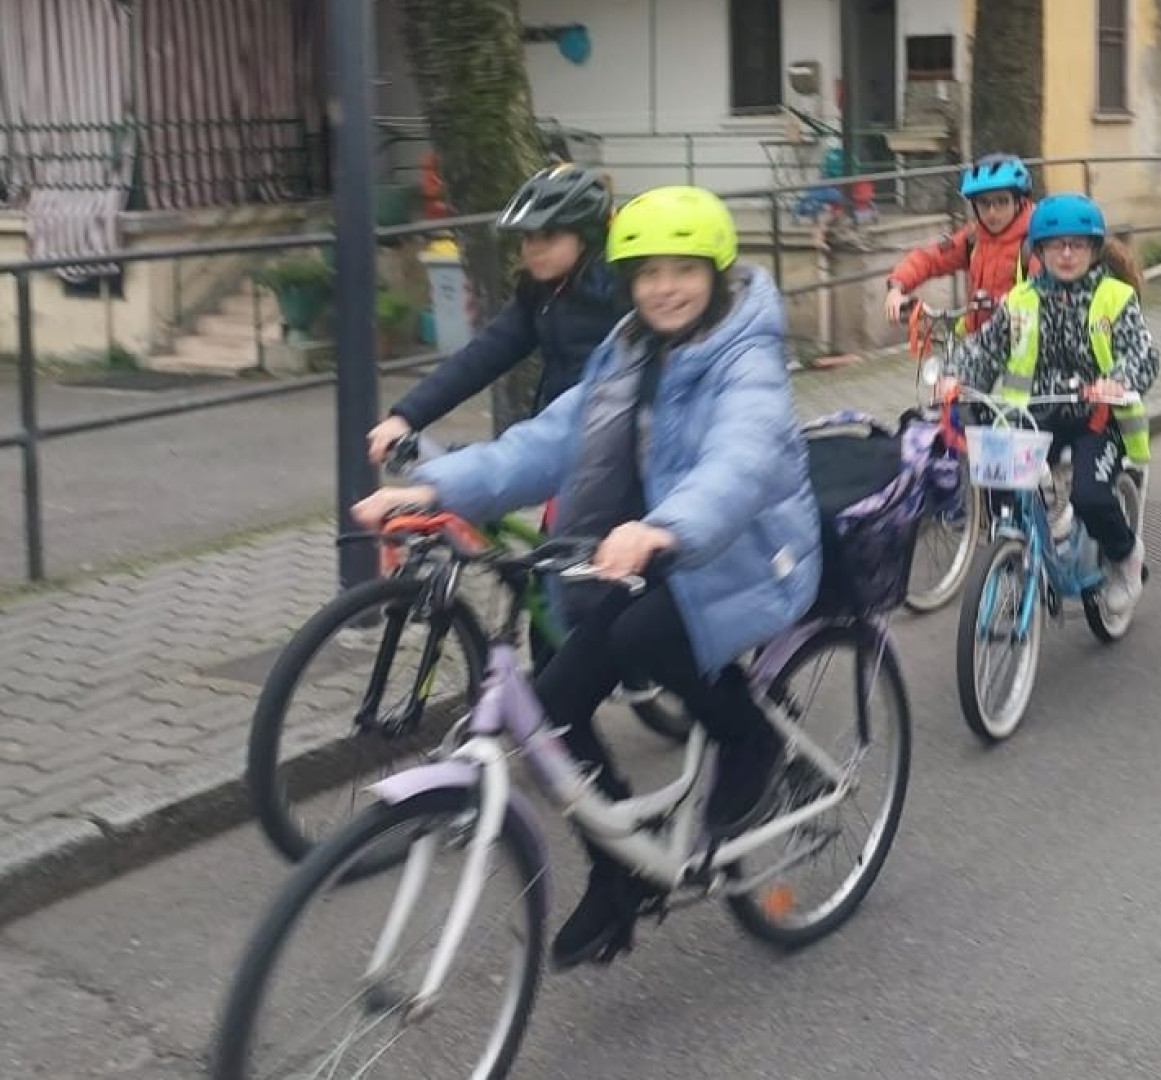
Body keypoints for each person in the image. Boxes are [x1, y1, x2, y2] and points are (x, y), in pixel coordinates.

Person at [351, 185, 824, 969]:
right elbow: (545, 442)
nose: (664, 288)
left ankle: (752, 743)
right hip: (645, 551)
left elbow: (740, 461)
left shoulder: (746, 356)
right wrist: (432, 492)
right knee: (552, 707)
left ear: (715, 274)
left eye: (683, 270)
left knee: (642, 635)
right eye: (648, 273)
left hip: (743, 552)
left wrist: (663, 528)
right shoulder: (626, 351)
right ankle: (619, 872)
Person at [947, 193, 1161, 615]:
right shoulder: (1020, 300)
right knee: (1001, 484)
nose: (1066, 254)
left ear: (1093, 249)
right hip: (1035, 415)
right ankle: (1012, 560)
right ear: (1038, 251)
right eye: (1055, 245)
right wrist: (954, 376)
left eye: (1076, 245)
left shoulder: (1115, 297)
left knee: (1091, 497)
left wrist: (1116, 381)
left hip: (1097, 419)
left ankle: (1125, 557)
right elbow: (984, 349)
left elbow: (1143, 353)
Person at [366, 163, 626, 465]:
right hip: (557, 445)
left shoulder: (616, 296)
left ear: (587, 236)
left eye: (549, 235)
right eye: (528, 237)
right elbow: (485, 354)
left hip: (606, 452)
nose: (533, 248)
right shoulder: (542, 291)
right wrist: (408, 416)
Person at [884, 153, 1037, 331]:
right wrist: (897, 287)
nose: (992, 212)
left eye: (1002, 201)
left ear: (1019, 202)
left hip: (1020, 337)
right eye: (984, 203)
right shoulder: (974, 237)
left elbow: (1046, 294)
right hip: (977, 335)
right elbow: (930, 258)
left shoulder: (1036, 241)